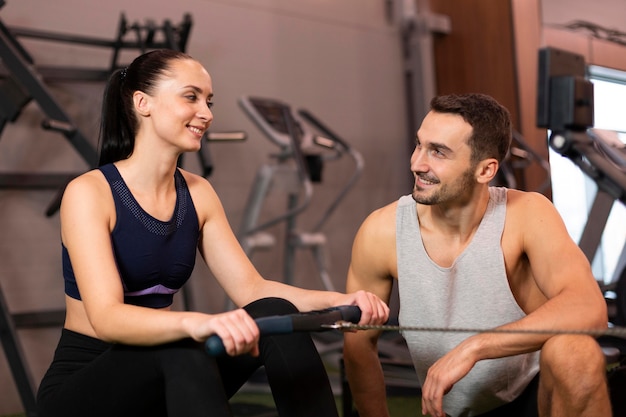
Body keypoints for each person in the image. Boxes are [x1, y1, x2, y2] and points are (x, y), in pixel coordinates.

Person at [36, 49, 389, 417]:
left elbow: (252, 290)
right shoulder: (90, 192)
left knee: (271, 313)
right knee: (182, 344)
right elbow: (107, 317)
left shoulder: (198, 192)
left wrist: (341, 300)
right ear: (143, 103)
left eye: (208, 101)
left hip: (166, 373)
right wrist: (199, 322)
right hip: (86, 387)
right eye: (191, 97)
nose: (206, 113)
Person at [343, 93, 612, 417]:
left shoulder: (527, 214)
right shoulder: (381, 231)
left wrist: (474, 348)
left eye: (438, 152)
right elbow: (359, 346)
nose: (417, 163)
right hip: (449, 410)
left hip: (530, 399)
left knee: (575, 351)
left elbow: (589, 307)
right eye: (419, 145)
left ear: (485, 170)